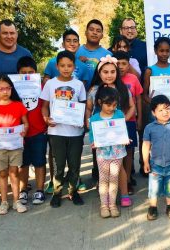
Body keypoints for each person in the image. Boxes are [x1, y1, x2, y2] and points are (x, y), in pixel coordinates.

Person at [0, 19, 32, 194]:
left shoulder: (25, 52)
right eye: (5, 33)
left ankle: (19, 179)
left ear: (16, 34)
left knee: (17, 141)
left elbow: (30, 75)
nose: (9, 36)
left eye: (12, 33)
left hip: (19, 104)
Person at [85, 55, 135, 206]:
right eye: (105, 72)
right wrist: (88, 123)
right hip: (101, 134)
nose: (109, 75)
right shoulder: (94, 90)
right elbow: (88, 109)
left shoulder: (123, 89)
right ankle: (105, 195)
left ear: (117, 73)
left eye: (112, 71)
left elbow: (132, 106)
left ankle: (124, 194)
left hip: (117, 133)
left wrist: (124, 119)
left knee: (118, 164)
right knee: (103, 164)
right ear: (99, 73)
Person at [40, 50, 86, 207]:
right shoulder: (50, 84)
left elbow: (83, 107)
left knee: (74, 165)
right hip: (56, 132)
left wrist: (83, 121)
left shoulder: (79, 85)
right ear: (57, 66)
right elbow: (44, 106)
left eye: (69, 65)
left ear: (74, 66)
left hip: (75, 132)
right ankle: (57, 192)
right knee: (58, 165)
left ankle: (73, 192)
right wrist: (46, 119)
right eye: (62, 66)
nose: (66, 68)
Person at [0, 75, 29, 215]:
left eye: (7, 88)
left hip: (15, 146)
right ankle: (4, 201)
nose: (4, 91)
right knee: (2, 173)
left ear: (11, 89)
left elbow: (25, 123)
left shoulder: (18, 105)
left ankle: (16, 201)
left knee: (14, 172)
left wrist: (25, 131)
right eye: (0, 88)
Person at [142, 95, 170, 220]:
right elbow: (146, 145)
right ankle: (152, 207)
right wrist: (145, 161)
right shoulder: (149, 128)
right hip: (155, 164)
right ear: (153, 113)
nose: (165, 112)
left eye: (167, 109)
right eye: (160, 110)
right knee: (154, 187)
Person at [89, 86, 127, 218]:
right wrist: (93, 142)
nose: (112, 108)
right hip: (102, 154)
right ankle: (104, 205)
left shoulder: (119, 114)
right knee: (104, 179)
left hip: (117, 152)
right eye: (108, 105)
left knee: (114, 177)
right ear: (100, 102)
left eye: (115, 105)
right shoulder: (94, 118)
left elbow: (122, 130)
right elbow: (92, 135)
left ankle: (112, 205)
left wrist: (125, 138)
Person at [16, 56, 48, 205]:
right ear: (18, 73)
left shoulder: (42, 87)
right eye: (23, 72)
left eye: (30, 72)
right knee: (22, 164)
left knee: (40, 162)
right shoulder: (14, 89)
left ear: (35, 73)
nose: (27, 75)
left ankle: (40, 190)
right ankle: (23, 190)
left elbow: (46, 106)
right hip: (20, 133)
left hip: (39, 131)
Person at [113, 51, 143, 194]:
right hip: (113, 124)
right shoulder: (109, 79)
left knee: (129, 151)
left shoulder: (133, 79)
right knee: (118, 152)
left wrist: (139, 118)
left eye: (124, 64)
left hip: (130, 120)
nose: (120, 67)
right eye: (117, 64)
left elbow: (138, 100)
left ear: (128, 65)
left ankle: (128, 179)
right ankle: (117, 180)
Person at [143, 37, 170, 121]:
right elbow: (145, 95)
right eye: (161, 51)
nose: (164, 54)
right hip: (156, 113)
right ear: (155, 51)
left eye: (167, 51)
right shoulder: (149, 71)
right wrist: (156, 104)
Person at [76, 19, 112, 89]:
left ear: (102, 35)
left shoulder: (108, 55)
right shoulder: (75, 52)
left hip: (99, 96)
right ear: (86, 33)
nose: (94, 33)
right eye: (91, 29)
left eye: (98, 31)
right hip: (75, 95)